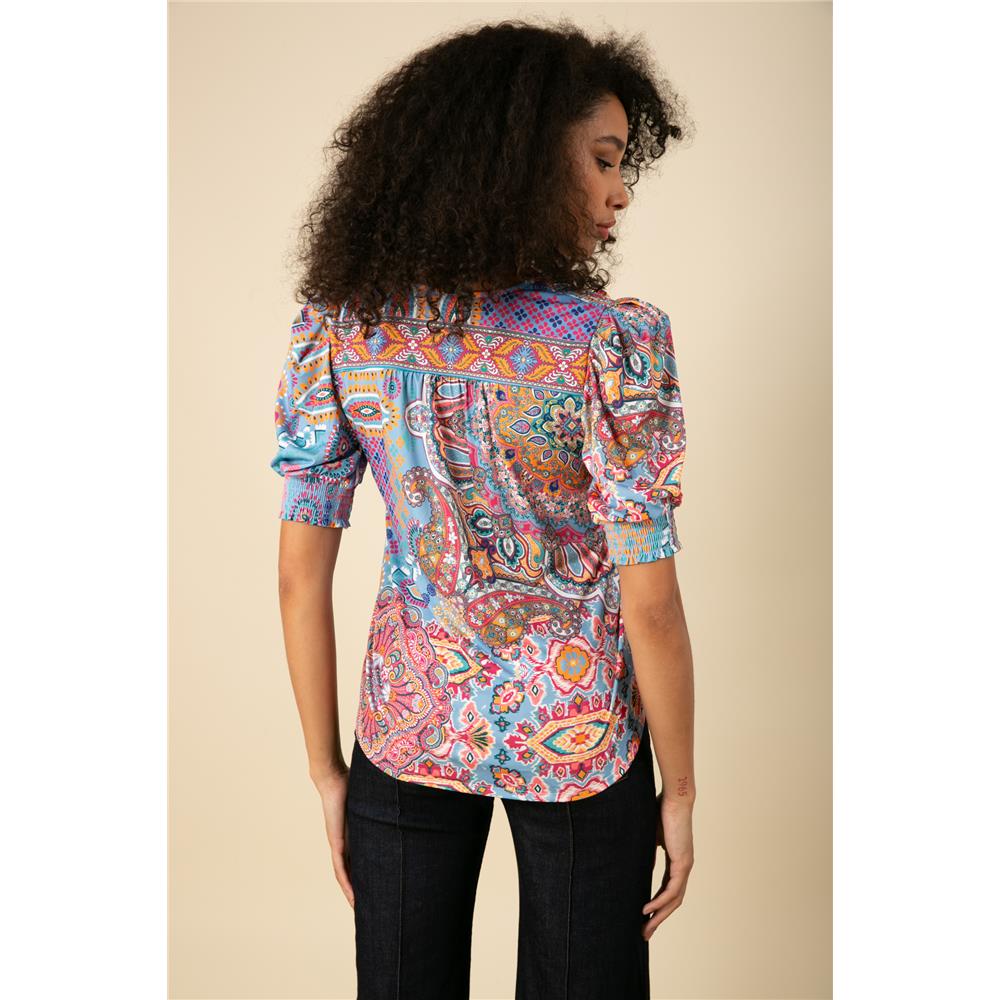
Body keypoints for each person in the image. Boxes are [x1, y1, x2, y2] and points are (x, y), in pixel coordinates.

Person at [271, 17, 697, 1000]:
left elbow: (299, 576)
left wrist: (328, 772)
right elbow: (653, 607)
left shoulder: (340, 330)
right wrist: (677, 793)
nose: (621, 191)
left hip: (407, 729)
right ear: (521, 162)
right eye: (602, 159)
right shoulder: (609, 345)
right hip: (585, 737)